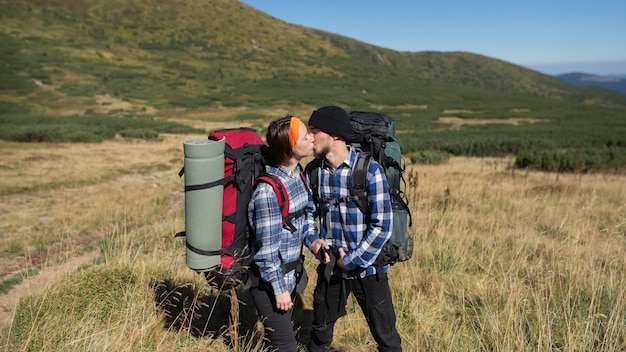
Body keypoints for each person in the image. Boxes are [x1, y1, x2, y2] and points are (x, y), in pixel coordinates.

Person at [303, 106, 403, 352]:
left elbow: (382, 225)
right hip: (330, 270)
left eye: (315, 131)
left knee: (387, 339)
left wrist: (351, 260)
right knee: (319, 336)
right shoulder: (313, 172)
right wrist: (313, 241)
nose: (309, 137)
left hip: (369, 270)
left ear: (335, 135)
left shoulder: (370, 170)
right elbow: (307, 214)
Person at [247, 115, 317, 351]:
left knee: (276, 342)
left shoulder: (299, 175)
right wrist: (279, 290)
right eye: (305, 136)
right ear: (290, 148)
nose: (312, 138)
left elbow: (304, 216)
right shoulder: (268, 192)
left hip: (289, 276)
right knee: (286, 346)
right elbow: (266, 253)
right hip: (268, 284)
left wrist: (313, 241)